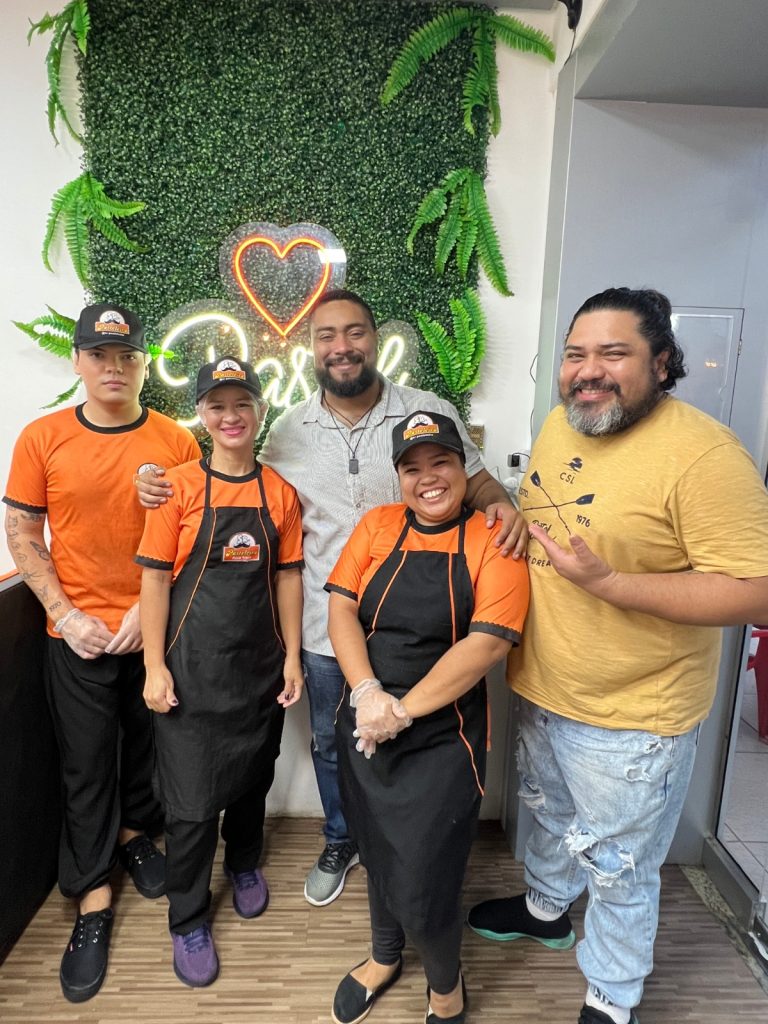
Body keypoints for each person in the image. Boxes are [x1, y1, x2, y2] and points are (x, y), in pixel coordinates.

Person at [136, 288, 528, 908]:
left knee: (418, 734)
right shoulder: (288, 429)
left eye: (354, 332)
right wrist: (152, 480)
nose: (341, 347)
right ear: (311, 348)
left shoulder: (425, 409)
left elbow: (475, 482)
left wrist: (503, 506)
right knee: (329, 741)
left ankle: (401, 845)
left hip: (418, 623)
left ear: (376, 339)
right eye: (326, 336)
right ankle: (342, 838)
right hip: (325, 624)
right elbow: (235, 470)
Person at [467, 287, 768, 1024]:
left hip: (633, 719)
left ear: (661, 363)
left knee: (620, 870)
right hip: (544, 685)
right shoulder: (563, 422)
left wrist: (612, 585)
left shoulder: (704, 456)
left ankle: (612, 996)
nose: (588, 371)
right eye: (576, 354)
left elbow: (757, 592)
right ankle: (545, 909)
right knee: (550, 817)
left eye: (613, 353)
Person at [3, 303, 200, 1002]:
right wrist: (64, 613)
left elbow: (193, 536)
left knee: (148, 746)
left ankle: (134, 834)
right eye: (99, 355)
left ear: (144, 363)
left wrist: (148, 614)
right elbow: (22, 530)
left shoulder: (176, 440)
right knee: (86, 762)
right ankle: (91, 896)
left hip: (152, 629)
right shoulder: (43, 437)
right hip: (77, 634)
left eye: (126, 356)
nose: (113, 367)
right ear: (78, 361)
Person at [325, 410, 530, 1024]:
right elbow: (341, 610)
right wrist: (367, 692)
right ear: (399, 477)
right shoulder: (377, 525)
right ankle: (384, 956)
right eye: (412, 468)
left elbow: (487, 644)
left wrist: (401, 711)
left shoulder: (493, 538)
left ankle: (446, 988)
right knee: (375, 848)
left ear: (464, 468)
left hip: (444, 738)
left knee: (425, 876)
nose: (428, 478)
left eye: (441, 462)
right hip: (366, 723)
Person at [136, 357, 304, 987]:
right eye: (217, 405)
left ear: (260, 410)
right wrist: (153, 665)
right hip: (189, 670)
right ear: (201, 414)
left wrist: (291, 656)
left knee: (252, 777)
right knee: (188, 806)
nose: (230, 417)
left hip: (257, 667)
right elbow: (155, 581)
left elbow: (288, 579)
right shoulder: (177, 489)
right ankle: (187, 918)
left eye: (241, 404)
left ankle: (245, 863)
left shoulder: (280, 493)